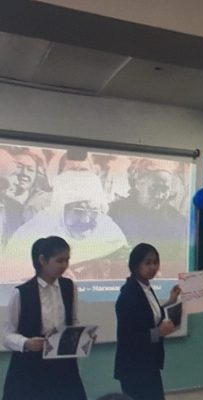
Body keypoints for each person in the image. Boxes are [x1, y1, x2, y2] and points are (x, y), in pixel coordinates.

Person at [2, 171, 128, 282]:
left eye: (93, 211)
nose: (86, 219)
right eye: (78, 211)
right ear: (60, 208)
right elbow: (12, 279)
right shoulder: (32, 233)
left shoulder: (109, 230)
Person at [2, 236, 87, 400]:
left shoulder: (69, 287)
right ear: (42, 260)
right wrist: (26, 343)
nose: (64, 266)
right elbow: (7, 335)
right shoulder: (21, 293)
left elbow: (73, 320)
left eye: (67, 260)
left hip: (63, 366)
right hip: (30, 368)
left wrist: (82, 335)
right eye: (59, 260)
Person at [114, 243, 181, 400]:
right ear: (136, 265)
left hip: (149, 362)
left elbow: (151, 316)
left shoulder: (146, 288)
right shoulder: (129, 294)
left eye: (155, 262)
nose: (153, 267)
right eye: (147, 263)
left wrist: (171, 301)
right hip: (134, 366)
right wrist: (158, 332)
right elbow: (128, 337)